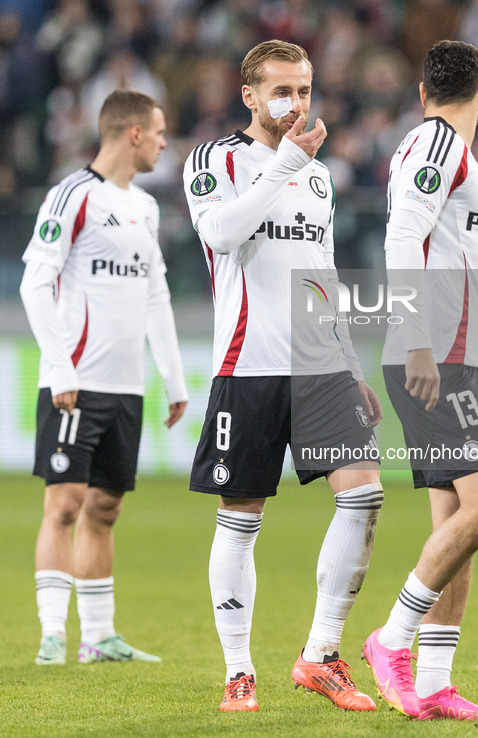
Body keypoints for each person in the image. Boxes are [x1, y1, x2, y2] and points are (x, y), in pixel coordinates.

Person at [182, 40, 384, 713]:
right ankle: (238, 670)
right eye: (280, 90)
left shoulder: (318, 177)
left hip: (320, 364)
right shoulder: (216, 160)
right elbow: (221, 235)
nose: (295, 103)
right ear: (248, 95)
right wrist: (285, 165)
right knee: (241, 517)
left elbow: (319, 278)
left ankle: (321, 655)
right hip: (249, 365)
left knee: (363, 496)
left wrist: (351, 363)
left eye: (303, 90)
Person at [361, 40, 478, 721]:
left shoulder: (445, 151)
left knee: (458, 521)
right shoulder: (437, 145)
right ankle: (389, 640)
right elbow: (401, 239)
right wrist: (421, 345)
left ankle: (433, 682)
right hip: (431, 358)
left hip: (457, 358)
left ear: (423, 90)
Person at [20, 89, 188, 666]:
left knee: (105, 509)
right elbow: (33, 285)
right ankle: (51, 634)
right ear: (133, 133)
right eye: (160, 133)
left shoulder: (145, 207)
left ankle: (98, 636)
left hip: (125, 387)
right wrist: (61, 364)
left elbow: (157, 293)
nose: (166, 143)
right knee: (63, 505)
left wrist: (173, 376)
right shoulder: (71, 196)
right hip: (75, 383)